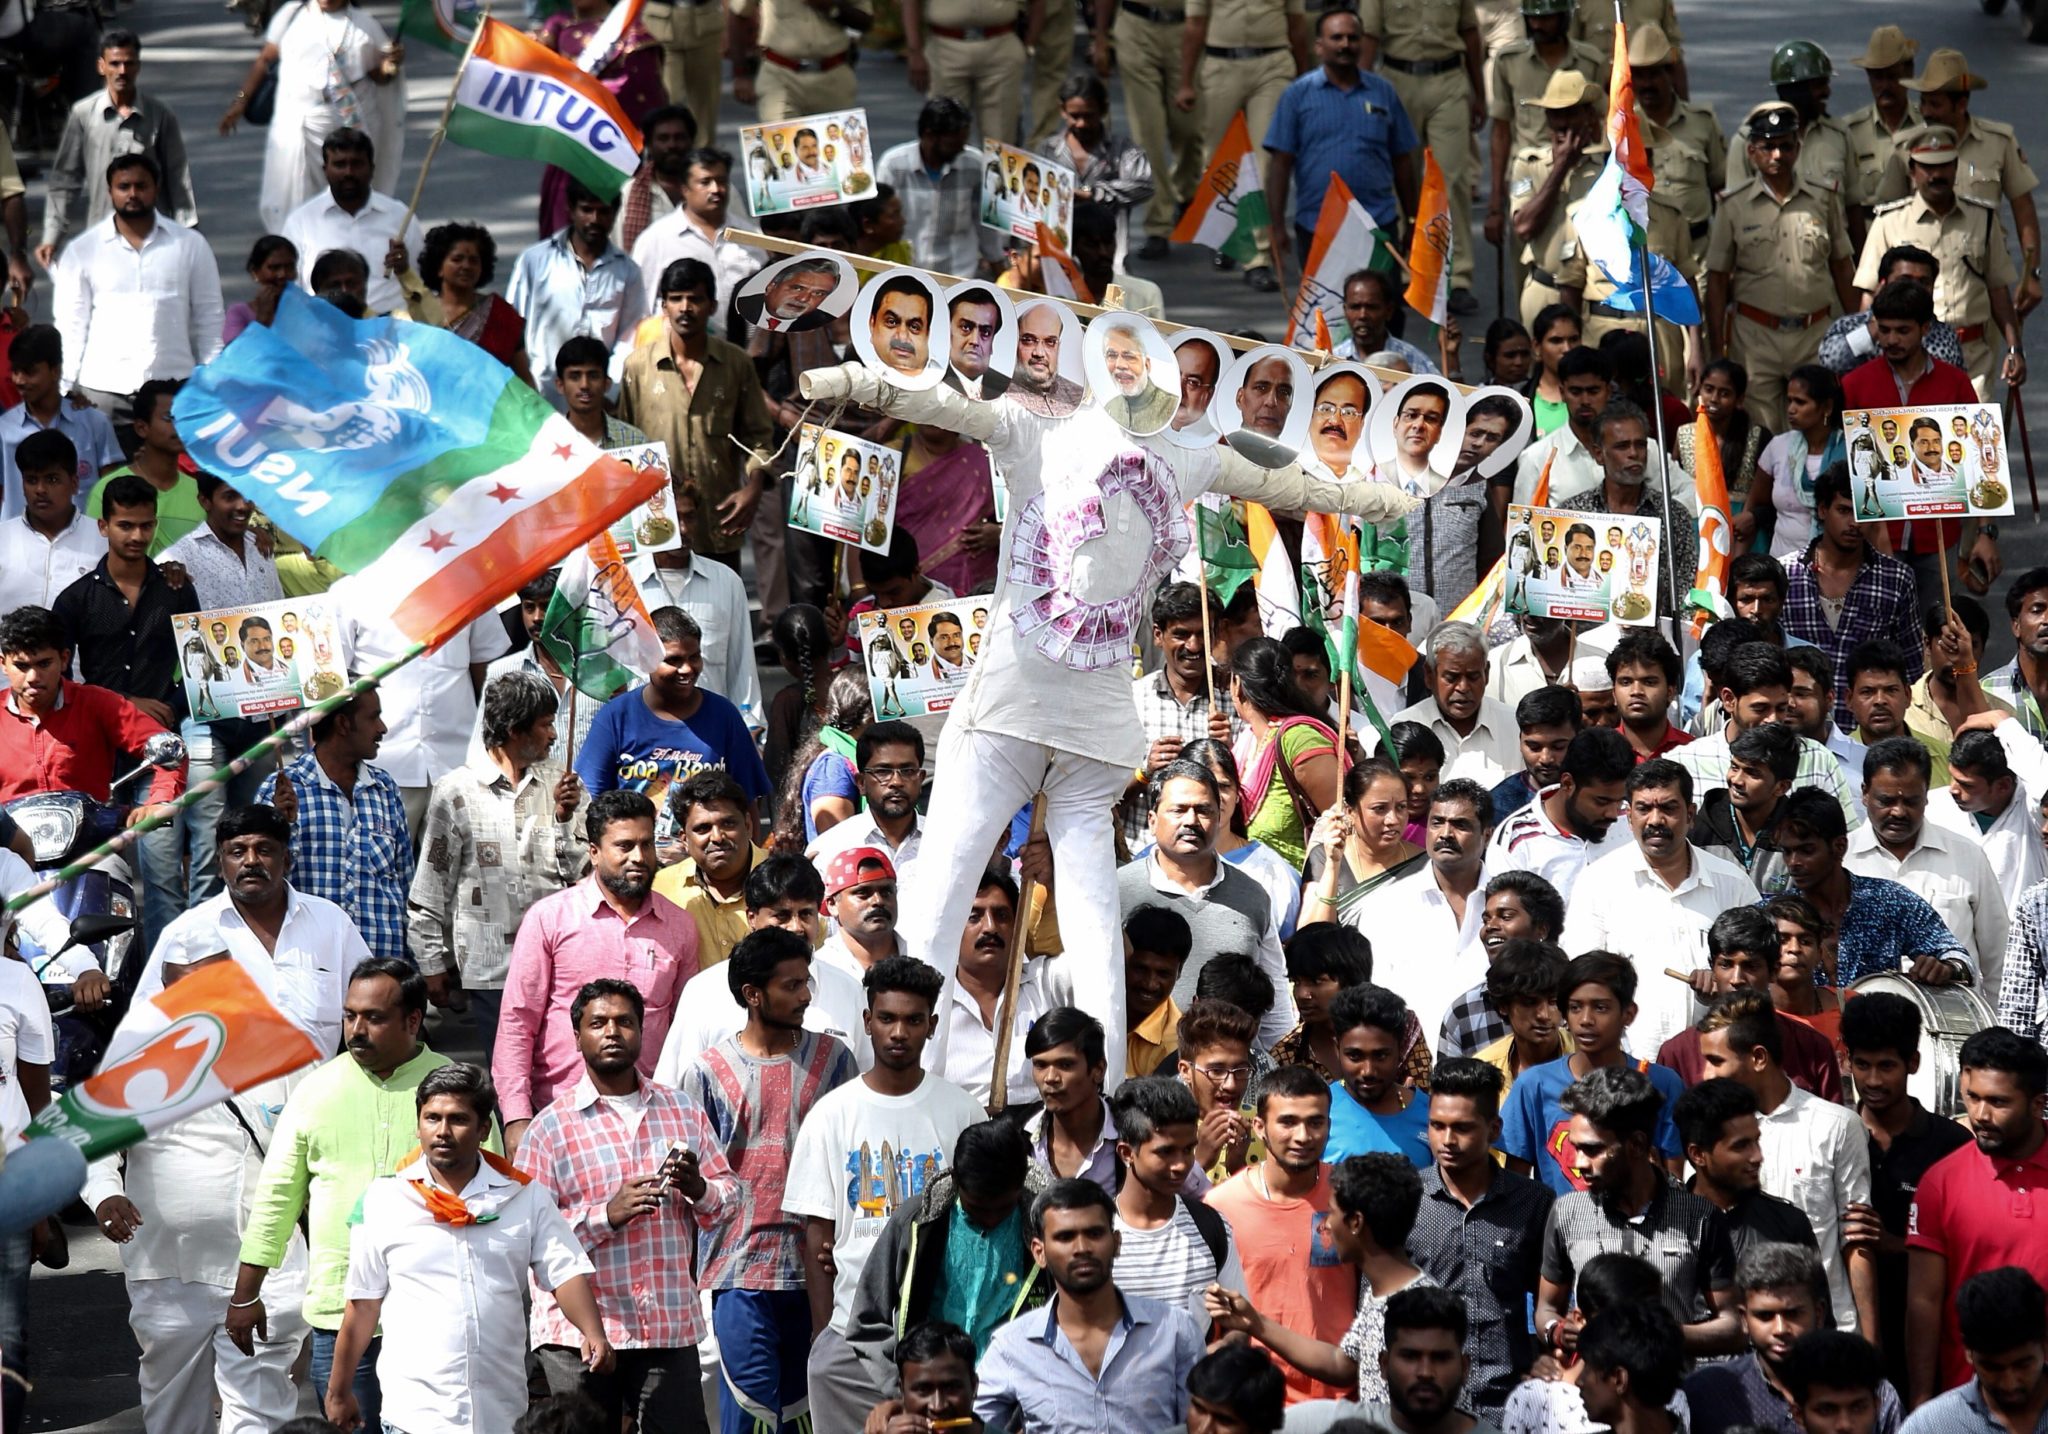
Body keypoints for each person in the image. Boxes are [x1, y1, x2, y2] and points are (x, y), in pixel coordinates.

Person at [229, 960, 471, 1432]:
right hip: (338, 1319)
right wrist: (245, 1295)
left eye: (374, 1018)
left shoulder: (456, 1092)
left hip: (434, 1316)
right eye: (349, 1016)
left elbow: (487, 1197)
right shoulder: (316, 1090)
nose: (356, 1030)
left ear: (413, 1020)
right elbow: (277, 1197)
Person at [81, 946, 304, 1434]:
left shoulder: (283, 1059)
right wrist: (103, 1195)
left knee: (259, 1419)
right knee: (172, 1417)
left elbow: (315, 1157)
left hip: (266, 1271)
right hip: (164, 1273)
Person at [326, 1063, 610, 1434]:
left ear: (483, 1129)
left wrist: (593, 1332)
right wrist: (338, 1390)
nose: (442, 1131)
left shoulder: (523, 1197)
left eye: (458, 1119)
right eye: (432, 1118)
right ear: (418, 1124)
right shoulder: (384, 1200)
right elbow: (363, 1305)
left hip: (501, 1412)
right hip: (414, 1415)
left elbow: (564, 1271)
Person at [517, 979, 736, 1431]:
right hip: (578, 1334)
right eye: (598, 1023)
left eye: (625, 1022)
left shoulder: (682, 1110)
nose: (612, 1032)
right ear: (576, 1036)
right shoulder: (549, 1129)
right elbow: (526, 1241)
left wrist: (698, 1188)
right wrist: (606, 1216)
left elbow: (731, 1201)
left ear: (643, 1030)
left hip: (667, 1322)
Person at [784, 956, 983, 1433]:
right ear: (867, 1021)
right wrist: (821, 1333)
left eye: (913, 1020)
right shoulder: (832, 1114)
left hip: (941, 1338)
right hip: (850, 1336)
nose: (899, 1032)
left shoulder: (962, 1111)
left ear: (932, 1026)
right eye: (888, 1019)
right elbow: (817, 1234)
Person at [494, 790, 696, 1150]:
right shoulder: (550, 918)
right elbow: (517, 1022)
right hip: (557, 1116)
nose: (639, 857)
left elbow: (687, 1029)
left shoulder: (679, 926)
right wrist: (516, 1117)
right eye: (624, 846)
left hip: (649, 1122)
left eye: (647, 845)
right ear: (594, 852)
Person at [409, 670, 583, 1054]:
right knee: (509, 1078)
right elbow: (431, 885)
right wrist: (432, 962)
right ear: (514, 730)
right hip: (491, 973)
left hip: (560, 965)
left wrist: (565, 818)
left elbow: (584, 875)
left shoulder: (563, 783)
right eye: (544, 724)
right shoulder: (455, 791)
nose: (553, 735)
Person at [1695, 990, 1877, 1336]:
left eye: (1716, 1061)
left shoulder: (1836, 1126)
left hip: (1826, 1335)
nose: (1705, 1074)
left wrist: (1868, 1345)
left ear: (1759, 1057)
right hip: (1741, 1340)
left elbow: (1856, 1241)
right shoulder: (1707, 1135)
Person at [1533, 1064, 1743, 1353]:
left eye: (1592, 1150)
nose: (1579, 1164)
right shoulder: (1566, 1213)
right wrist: (1556, 1332)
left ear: (1636, 1144)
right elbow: (1546, 1308)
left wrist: (1659, 1336)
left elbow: (1732, 1324)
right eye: (1576, 1148)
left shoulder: (1700, 1218)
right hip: (1594, 1392)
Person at [138, 801, 371, 1060]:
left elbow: (372, 1006)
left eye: (264, 850)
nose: (250, 861)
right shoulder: (187, 933)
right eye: (237, 852)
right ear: (220, 864)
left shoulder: (331, 923)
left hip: (318, 1095)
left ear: (287, 861)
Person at [1561, 758, 1762, 1051]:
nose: (1655, 820)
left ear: (1690, 815)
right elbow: (1581, 980)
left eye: (1668, 808)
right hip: (1630, 1064)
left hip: (1720, 1061)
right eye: (1644, 809)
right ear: (1628, 817)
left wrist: (1725, 984)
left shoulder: (1732, 883)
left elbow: (1764, 974)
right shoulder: (1598, 883)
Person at [1207, 1151, 1433, 1408]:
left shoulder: (1417, 1314)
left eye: (1331, 1213)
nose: (1324, 1226)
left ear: (1355, 1223)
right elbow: (1343, 1363)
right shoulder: (1382, 1292)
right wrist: (1255, 1322)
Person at [973, 1178, 1205, 1428]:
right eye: (1065, 1237)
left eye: (1094, 1234)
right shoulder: (1012, 1347)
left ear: (1116, 1242)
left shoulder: (1175, 1331)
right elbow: (972, 1425)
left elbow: (1203, 1427)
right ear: (1039, 1252)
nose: (1082, 1248)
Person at [1831, 994, 1972, 1395]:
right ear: (1847, 1061)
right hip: (1847, 1338)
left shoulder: (1951, 1146)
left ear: (1913, 1063)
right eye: (1863, 1064)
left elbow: (1966, 1248)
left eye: (1886, 1066)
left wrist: (1894, 1244)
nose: (1873, 1081)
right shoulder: (1831, 1137)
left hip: (1933, 1344)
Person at [843, 1119, 1050, 1385]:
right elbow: (866, 1319)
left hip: (1012, 1395)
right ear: (956, 1180)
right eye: (978, 1209)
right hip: (931, 1389)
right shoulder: (916, 1222)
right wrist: (902, 1386)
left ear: (1020, 1186)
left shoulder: (1046, 1227)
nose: (991, 1218)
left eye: (1003, 1209)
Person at [1904, 1029, 2048, 1404]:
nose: (1980, 1115)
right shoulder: (1940, 1183)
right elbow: (1924, 1303)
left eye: (1998, 1102)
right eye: (1973, 1097)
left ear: (2037, 1104)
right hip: (1968, 1403)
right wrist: (1922, 1402)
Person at [1201, 1066, 1356, 1402]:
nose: (1303, 1136)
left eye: (1315, 1122)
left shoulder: (1351, 1197)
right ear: (1259, 1126)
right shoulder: (1220, 1206)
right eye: (1287, 1122)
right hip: (1253, 1401)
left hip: (1340, 1398)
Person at [1410, 1058, 1554, 1417]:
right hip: (1426, 1405)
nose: (1447, 1140)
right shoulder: (1405, 1200)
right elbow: (1377, 1304)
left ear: (1493, 1129)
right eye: (1436, 1126)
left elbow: (1551, 1300)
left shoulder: (1533, 1203)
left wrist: (1548, 1360)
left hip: (1511, 1403)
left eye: (1462, 1128)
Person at [1705, 104, 1858, 430]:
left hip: (1814, 334)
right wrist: (1716, 348)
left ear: (1797, 148)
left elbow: (1842, 267)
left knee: (1818, 427)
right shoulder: (1733, 205)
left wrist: (1859, 330)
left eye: (1785, 146)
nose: (1777, 155)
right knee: (1761, 434)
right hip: (1756, 339)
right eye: (1768, 147)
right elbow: (1717, 280)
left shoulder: (1823, 197)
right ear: (1752, 152)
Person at [620, 260, 774, 575]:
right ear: (664, 305)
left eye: (695, 298)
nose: (685, 308)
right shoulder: (638, 368)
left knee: (720, 616)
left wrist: (754, 486)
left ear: (712, 305)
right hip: (658, 526)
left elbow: (758, 436)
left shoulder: (736, 364)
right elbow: (624, 444)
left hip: (720, 524)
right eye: (676, 298)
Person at [1117, 759, 1289, 1041]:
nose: (1191, 821)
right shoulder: (1118, 890)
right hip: (1135, 1069)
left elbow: (1275, 1001)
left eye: (1203, 811)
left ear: (1220, 819)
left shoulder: (1252, 896)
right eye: (1178, 810)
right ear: (1152, 820)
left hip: (1229, 1073)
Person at [573, 607, 770, 849]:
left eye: (694, 657)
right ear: (646, 659)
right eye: (673, 660)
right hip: (636, 871)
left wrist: (749, 866)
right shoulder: (615, 717)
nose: (687, 669)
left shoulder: (724, 715)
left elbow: (748, 803)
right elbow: (589, 803)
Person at [1837, 281, 1986, 597]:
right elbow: (1843, 466)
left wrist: (1985, 533)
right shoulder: (1854, 385)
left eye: (1902, 331)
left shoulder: (1955, 383)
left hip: (1938, 539)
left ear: (1925, 328)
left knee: (1939, 629)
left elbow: (1978, 463)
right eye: (1885, 330)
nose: (1891, 340)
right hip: (1872, 538)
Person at [53, 155, 223, 424]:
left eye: (141, 186)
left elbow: (210, 318)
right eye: (124, 187)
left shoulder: (190, 245)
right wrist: (63, 388)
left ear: (156, 188)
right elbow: (71, 324)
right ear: (110, 191)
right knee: (109, 468)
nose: (132, 194)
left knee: (173, 468)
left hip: (174, 390)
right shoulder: (82, 250)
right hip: (103, 392)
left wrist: (211, 379)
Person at [1500, 953, 1687, 1196]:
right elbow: (1517, 1184)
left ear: (1628, 1013)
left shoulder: (1662, 1082)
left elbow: (1674, 1179)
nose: (1586, 1020)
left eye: (1600, 1007)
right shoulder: (1533, 1085)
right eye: (1576, 1007)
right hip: (1560, 1229)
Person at [1857, 128, 2024, 400]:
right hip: (1907, 356)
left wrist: (2015, 349)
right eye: (1927, 167)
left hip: (1972, 356)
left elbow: (1998, 289)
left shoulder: (1983, 219)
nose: (1937, 175)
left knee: (1967, 438)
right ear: (1912, 171)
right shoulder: (1888, 222)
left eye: (1945, 165)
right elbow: (1869, 296)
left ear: (1956, 166)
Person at [1262, 9, 1421, 296]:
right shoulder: (1297, 95)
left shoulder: (1384, 92)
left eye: (1352, 38)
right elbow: (1280, 164)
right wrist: (1275, 226)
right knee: (1323, 321)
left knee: (1383, 315)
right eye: (1336, 37)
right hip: (1317, 227)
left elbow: (1403, 161)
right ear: (1319, 45)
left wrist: (1412, 220)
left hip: (1378, 226)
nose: (1345, 45)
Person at [258, 686, 413, 965]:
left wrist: (416, 962)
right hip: (310, 962)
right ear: (343, 724)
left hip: (380, 964)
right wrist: (280, 825)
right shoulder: (280, 789)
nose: (382, 728)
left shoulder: (385, 788)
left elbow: (405, 882)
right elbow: (260, 881)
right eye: (373, 717)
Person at [225, 0, 403, 231]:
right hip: (305, 122)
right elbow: (266, 59)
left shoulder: (365, 25)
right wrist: (240, 102)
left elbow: (379, 75)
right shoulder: (291, 16)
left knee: (351, 182)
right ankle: (304, 239)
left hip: (354, 122)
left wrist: (390, 65)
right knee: (302, 192)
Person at [1771, 787, 1973, 987]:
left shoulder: (1889, 901)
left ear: (1839, 847)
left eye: (1806, 850)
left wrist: (1946, 968)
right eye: (1787, 852)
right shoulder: (1772, 916)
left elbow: (1957, 956)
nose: (1793, 862)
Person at [1846, 736, 2005, 988]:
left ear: (1926, 795)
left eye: (1910, 801)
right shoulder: (1842, 861)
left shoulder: (1967, 857)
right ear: (1865, 793)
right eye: (1886, 801)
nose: (1898, 812)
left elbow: (1998, 960)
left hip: (1958, 1021)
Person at [38, 29, 196, 269]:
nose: (122, 71)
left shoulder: (159, 115)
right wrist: (52, 235)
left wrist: (188, 234)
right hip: (103, 240)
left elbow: (178, 177)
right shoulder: (84, 114)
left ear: (138, 67)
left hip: (154, 240)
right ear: (102, 66)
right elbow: (65, 179)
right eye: (115, 63)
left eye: (129, 64)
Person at [1780, 470, 1926, 729]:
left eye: (1864, 512)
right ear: (1823, 510)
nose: (1855, 523)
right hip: (1798, 729)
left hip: (1870, 733)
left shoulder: (1896, 579)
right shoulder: (1786, 575)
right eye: (1845, 511)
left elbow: (1911, 666)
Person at [1350, 779, 1493, 1039]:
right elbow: (1371, 1002)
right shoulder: (1386, 907)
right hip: (1411, 1070)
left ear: (1487, 834)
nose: (1445, 834)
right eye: (1437, 822)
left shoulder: (1511, 906)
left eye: (1460, 825)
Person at [1655, 907, 1843, 1099]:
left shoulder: (1812, 1048)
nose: (1736, 979)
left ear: (1773, 971)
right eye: (1726, 965)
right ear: (1713, 968)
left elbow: (1834, 1123)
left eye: (1750, 966)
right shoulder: (1678, 1052)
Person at [1109, 1076, 1242, 1321]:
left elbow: (1238, 1325)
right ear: (1127, 1153)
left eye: (1188, 1150)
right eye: (1166, 1152)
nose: (1181, 1165)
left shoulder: (1211, 1227)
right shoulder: (1096, 1233)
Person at [507, 180, 647, 399]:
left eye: (603, 212)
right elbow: (513, 328)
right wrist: (526, 384)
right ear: (571, 210)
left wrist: (609, 390)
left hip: (600, 399)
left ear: (615, 213)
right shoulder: (534, 261)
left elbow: (630, 337)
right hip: (542, 393)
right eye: (587, 210)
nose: (594, 219)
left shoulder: (628, 272)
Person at [1125, 582, 1237, 846]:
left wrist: (1231, 756)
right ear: (1158, 634)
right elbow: (1102, 798)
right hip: (1141, 863)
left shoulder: (1236, 699)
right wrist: (1145, 771)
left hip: (1215, 865)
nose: (1194, 645)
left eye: (1203, 634)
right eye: (1182, 634)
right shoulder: (1132, 700)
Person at [1672, 1077, 1822, 1270]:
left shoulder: (1789, 1224)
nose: (1757, 1156)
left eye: (1756, 1141)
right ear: (1698, 1154)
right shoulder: (1665, 1229)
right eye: (1740, 1146)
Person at [276, 129, 421, 318]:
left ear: (372, 168)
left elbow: (422, 284)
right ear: (325, 170)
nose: (348, 172)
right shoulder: (300, 222)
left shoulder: (400, 217)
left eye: (356, 164)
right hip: (326, 327)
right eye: (340, 164)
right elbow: (289, 291)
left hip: (391, 329)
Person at [1487, 726, 1634, 903]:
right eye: (1601, 801)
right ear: (1568, 784)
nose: (1613, 813)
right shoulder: (1515, 841)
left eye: (1619, 800)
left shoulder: (1633, 822)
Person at [1904, 1267, 2048, 1434]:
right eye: (1992, 1368)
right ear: (1968, 1351)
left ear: (2045, 1343)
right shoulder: (1928, 1426)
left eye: (2022, 1365)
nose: (2009, 1383)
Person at [0, 327, 122, 522]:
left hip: (85, 541)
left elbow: (113, 490)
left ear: (55, 370)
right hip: (18, 544)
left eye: (30, 372)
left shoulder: (94, 422)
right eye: (15, 371)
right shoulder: (4, 429)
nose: (20, 380)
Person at [875, 99, 1004, 279]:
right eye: (953, 144)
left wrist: (999, 268)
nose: (960, 150)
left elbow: (986, 226)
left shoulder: (975, 165)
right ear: (929, 135)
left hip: (959, 274)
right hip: (905, 272)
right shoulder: (893, 165)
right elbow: (878, 220)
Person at [1384, 622, 1521, 788]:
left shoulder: (1515, 727)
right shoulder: (1402, 727)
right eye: (1451, 678)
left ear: (1486, 673)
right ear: (1429, 675)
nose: (1463, 688)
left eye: (1473, 677)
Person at [1744, 364, 1845, 563]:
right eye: (1789, 401)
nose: (1791, 409)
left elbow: (1872, 524)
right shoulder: (1778, 446)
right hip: (1782, 567)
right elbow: (1754, 505)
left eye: (1800, 402)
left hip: (1837, 566)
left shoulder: (1852, 450)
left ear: (1827, 407)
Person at [1324, 984, 1432, 1166]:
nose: (1368, 1071)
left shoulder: (1431, 1116)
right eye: (1355, 1056)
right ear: (1337, 1049)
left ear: (1400, 1050)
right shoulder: (1317, 1113)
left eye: (1381, 1056)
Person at [0, 430, 104, 616]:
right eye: (31, 480)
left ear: (74, 483)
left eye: (52, 479)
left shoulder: (103, 541)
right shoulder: (3, 538)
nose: (40, 489)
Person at [1608, 630, 1693, 763]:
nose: (1636, 691)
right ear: (1614, 693)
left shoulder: (1693, 751)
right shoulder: (1597, 754)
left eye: (1649, 682)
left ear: (1670, 692)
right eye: (1626, 682)